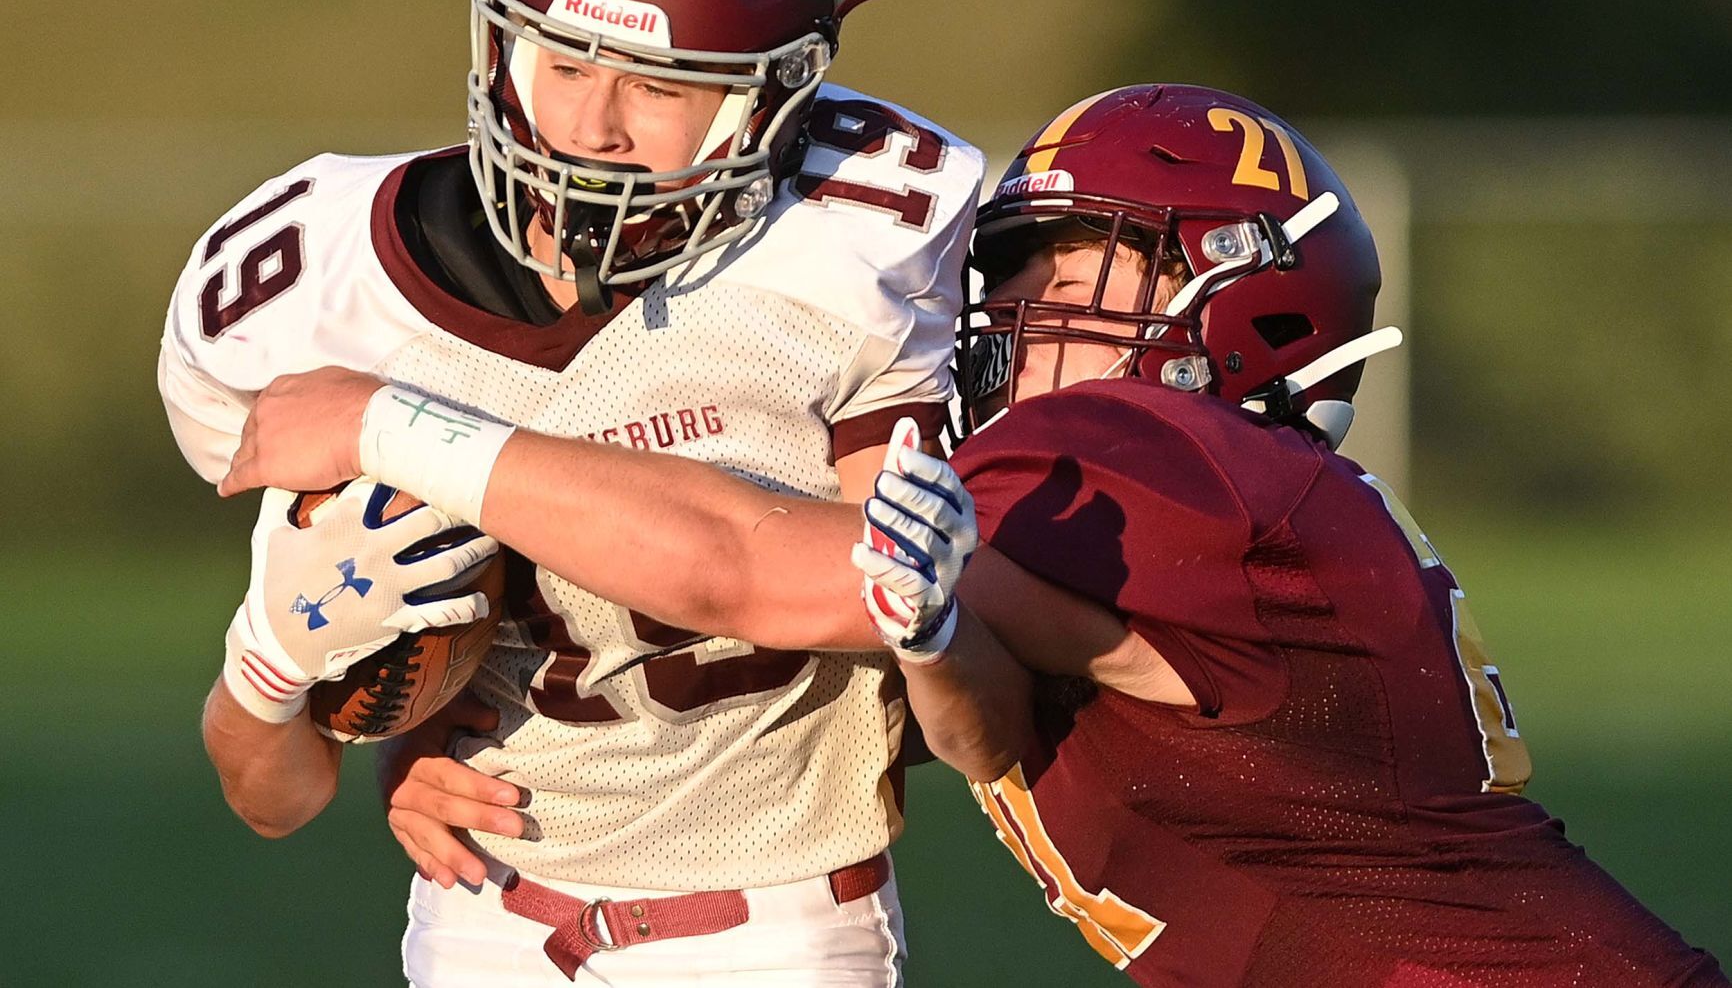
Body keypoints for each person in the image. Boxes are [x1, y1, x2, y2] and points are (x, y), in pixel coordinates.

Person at [226, 84, 1727, 985]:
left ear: (1243, 308)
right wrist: (489, 728)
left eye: (1092, 265)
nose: (1021, 307)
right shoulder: (1132, 516)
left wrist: (398, 427)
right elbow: (942, 677)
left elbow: (751, 566)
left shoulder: (1155, 456)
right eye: (1023, 264)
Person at [158, 0, 986, 984]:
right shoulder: (325, 281)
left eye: (660, 84)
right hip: (483, 913)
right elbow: (270, 795)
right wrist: (272, 664)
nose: (590, 128)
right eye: (563, 59)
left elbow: (867, 584)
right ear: (499, 36)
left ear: (774, 98)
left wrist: (402, 428)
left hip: (773, 924)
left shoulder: (852, 244)